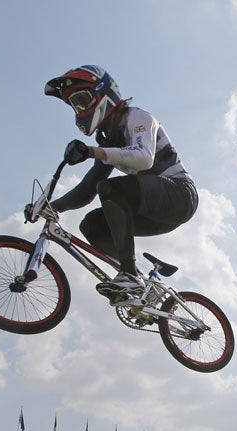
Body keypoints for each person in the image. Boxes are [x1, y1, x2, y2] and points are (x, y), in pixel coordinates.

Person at [42, 65, 198, 303]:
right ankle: (138, 279)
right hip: (154, 212)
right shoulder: (111, 141)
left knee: (111, 189)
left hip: (180, 196)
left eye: (83, 100)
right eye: (76, 105)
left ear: (104, 94)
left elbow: (144, 158)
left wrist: (93, 152)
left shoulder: (137, 117)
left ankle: (128, 275)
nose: (81, 109)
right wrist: (51, 207)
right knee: (92, 225)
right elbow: (87, 190)